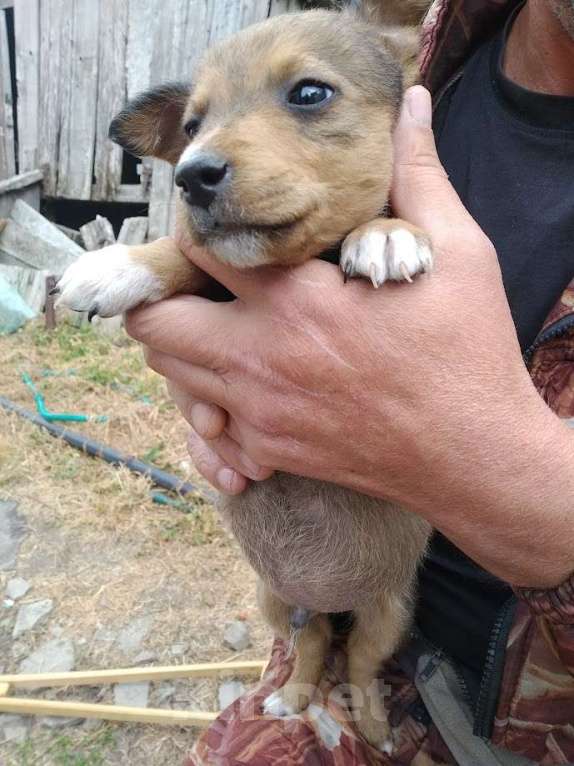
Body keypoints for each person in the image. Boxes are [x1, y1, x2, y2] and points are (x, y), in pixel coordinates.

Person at [126, 0, 574, 762]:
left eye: (305, 95)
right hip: (320, 601)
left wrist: (534, 501)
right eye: (196, 127)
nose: (203, 154)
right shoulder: (430, 57)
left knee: (370, 628)